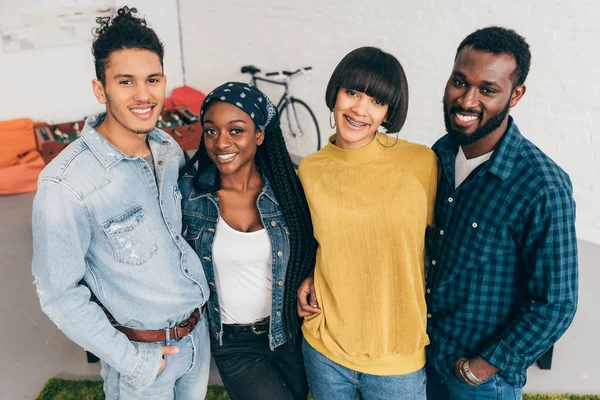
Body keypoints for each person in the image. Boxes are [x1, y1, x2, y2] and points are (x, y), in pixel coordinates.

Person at [31, 7, 210, 399]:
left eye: (153, 80)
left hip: (197, 340)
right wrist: (134, 361)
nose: (143, 95)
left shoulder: (168, 151)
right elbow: (58, 294)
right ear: (101, 89)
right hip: (142, 361)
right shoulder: (65, 183)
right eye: (126, 81)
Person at [425, 26, 578, 399]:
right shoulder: (441, 153)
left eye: (488, 89)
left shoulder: (542, 185)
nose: (466, 100)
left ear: (515, 95)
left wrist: (479, 369)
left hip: (479, 380)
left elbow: (556, 303)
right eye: (459, 82)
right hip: (425, 358)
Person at [296, 47, 438, 399]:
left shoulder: (420, 163)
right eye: (352, 92)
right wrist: (309, 275)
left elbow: (442, 245)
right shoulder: (310, 170)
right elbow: (315, 243)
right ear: (336, 94)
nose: (360, 109)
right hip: (325, 348)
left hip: (397, 357)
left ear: (389, 111)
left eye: (377, 101)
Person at [179, 82, 316, 400]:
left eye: (235, 130)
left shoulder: (288, 190)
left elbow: (315, 242)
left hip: (288, 333)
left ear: (259, 135)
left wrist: (310, 274)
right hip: (233, 343)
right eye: (211, 131)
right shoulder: (189, 195)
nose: (221, 143)